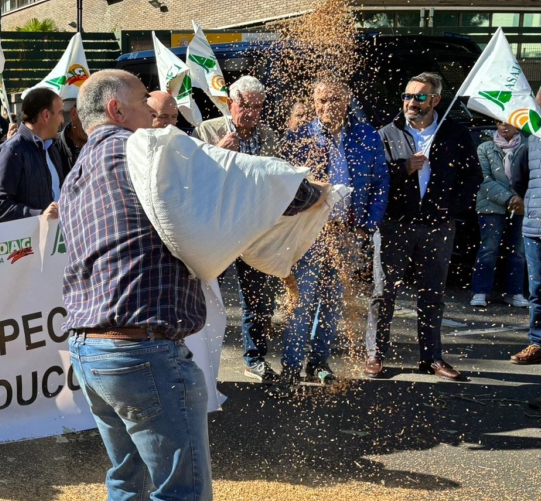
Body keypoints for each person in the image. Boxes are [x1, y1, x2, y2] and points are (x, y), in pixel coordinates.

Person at [61, 70, 323, 501]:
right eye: (147, 107)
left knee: (128, 480)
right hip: (144, 352)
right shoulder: (145, 153)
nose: (163, 121)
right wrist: (310, 191)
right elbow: (244, 185)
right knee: (184, 497)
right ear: (116, 110)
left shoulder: (78, 169)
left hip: (92, 352)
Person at [366, 72, 479, 381]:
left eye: (419, 96)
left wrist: (451, 209)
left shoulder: (455, 133)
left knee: (433, 294)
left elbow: (472, 178)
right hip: (394, 225)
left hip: (438, 227)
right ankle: (375, 353)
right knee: (383, 292)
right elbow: (373, 178)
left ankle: (431, 357)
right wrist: (403, 167)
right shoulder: (386, 133)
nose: (410, 102)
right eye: (407, 96)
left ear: (436, 100)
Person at [279, 79, 388, 388]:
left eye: (335, 100)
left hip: (348, 234)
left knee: (332, 303)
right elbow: (284, 185)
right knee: (302, 302)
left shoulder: (365, 135)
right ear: (314, 103)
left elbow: (381, 180)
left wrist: (368, 224)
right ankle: (290, 368)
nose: (328, 106)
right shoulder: (300, 137)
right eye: (322, 100)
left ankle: (318, 363)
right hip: (311, 234)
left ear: (347, 100)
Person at [193, 76, 285, 382]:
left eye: (258, 107)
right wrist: (219, 150)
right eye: (245, 105)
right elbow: (193, 178)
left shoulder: (269, 136)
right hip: (217, 230)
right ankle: (199, 359)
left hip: (254, 229)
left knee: (258, 300)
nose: (251, 113)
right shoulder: (207, 131)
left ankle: (254, 359)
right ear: (231, 103)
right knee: (205, 296)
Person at [0, 88, 67, 223]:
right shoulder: (12, 151)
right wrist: (39, 215)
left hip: (54, 238)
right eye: (60, 113)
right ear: (46, 115)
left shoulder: (52, 148)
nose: (62, 120)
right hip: (28, 241)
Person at [471, 121, 528, 308]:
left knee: (518, 252)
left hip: (521, 205)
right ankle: (480, 291)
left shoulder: (527, 146)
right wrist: (509, 198)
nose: (504, 127)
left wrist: (520, 200)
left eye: (508, 124)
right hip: (491, 206)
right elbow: (484, 179)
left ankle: (515, 292)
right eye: (500, 123)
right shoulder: (485, 147)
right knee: (488, 249)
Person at [509, 123, 541, 365]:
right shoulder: (531, 141)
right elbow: (518, 180)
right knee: (537, 290)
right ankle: (537, 342)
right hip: (536, 228)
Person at [53, 100, 87, 172]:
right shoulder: (50, 147)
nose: (96, 124)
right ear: (74, 113)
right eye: (90, 116)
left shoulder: (103, 147)